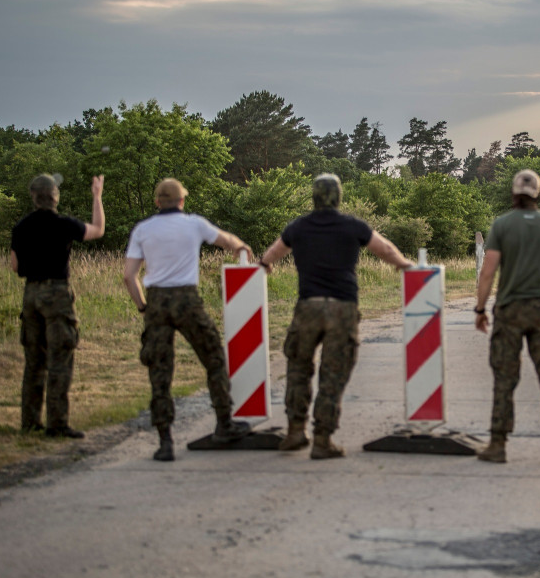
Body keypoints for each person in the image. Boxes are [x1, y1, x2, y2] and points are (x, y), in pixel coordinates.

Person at [259, 173, 414, 459]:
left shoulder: (299, 226)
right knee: (333, 374)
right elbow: (385, 248)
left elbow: (274, 252)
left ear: (314, 197)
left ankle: (294, 431)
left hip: (308, 306)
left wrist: (264, 265)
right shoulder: (352, 225)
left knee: (298, 368)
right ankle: (322, 440)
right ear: (339, 197)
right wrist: (404, 265)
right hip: (342, 307)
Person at [123, 179, 253, 462]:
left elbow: (129, 276)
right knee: (214, 359)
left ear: (158, 202)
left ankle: (165, 442)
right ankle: (224, 422)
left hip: (156, 302)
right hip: (187, 300)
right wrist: (242, 249)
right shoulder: (195, 224)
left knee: (160, 372)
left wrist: (143, 307)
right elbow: (230, 241)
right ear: (182, 201)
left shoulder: (142, 230)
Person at [474, 169, 540, 464]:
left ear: (514, 194)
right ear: (537, 194)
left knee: (504, 378)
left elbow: (488, 271)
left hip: (509, 310)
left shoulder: (502, 225)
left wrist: (480, 309)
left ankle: (498, 445)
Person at [10, 173, 105, 438]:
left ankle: (29, 422)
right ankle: (57, 423)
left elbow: (15, 265)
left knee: (34, 361)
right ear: (55, 197)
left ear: (33, 196)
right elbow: (98, 230)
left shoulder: (21, 227)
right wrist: (96, 196)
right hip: (57, 293)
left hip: (31, 293)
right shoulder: (63, 224)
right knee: (60, 357)